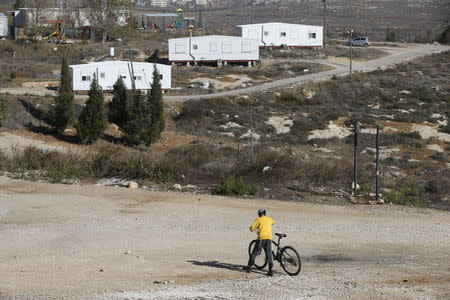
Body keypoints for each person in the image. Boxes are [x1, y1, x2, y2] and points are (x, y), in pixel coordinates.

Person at [244, 208, 275, 276]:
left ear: (259, 214)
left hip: (261, 238)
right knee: (269, 253)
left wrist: (252, 227)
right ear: (265, 213)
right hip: (269, 238)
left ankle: (249, 267)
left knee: (255, 252)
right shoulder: (269, 219)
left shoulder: (258, 219)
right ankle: (271, 270)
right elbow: (273, 222)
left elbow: (252, 229)